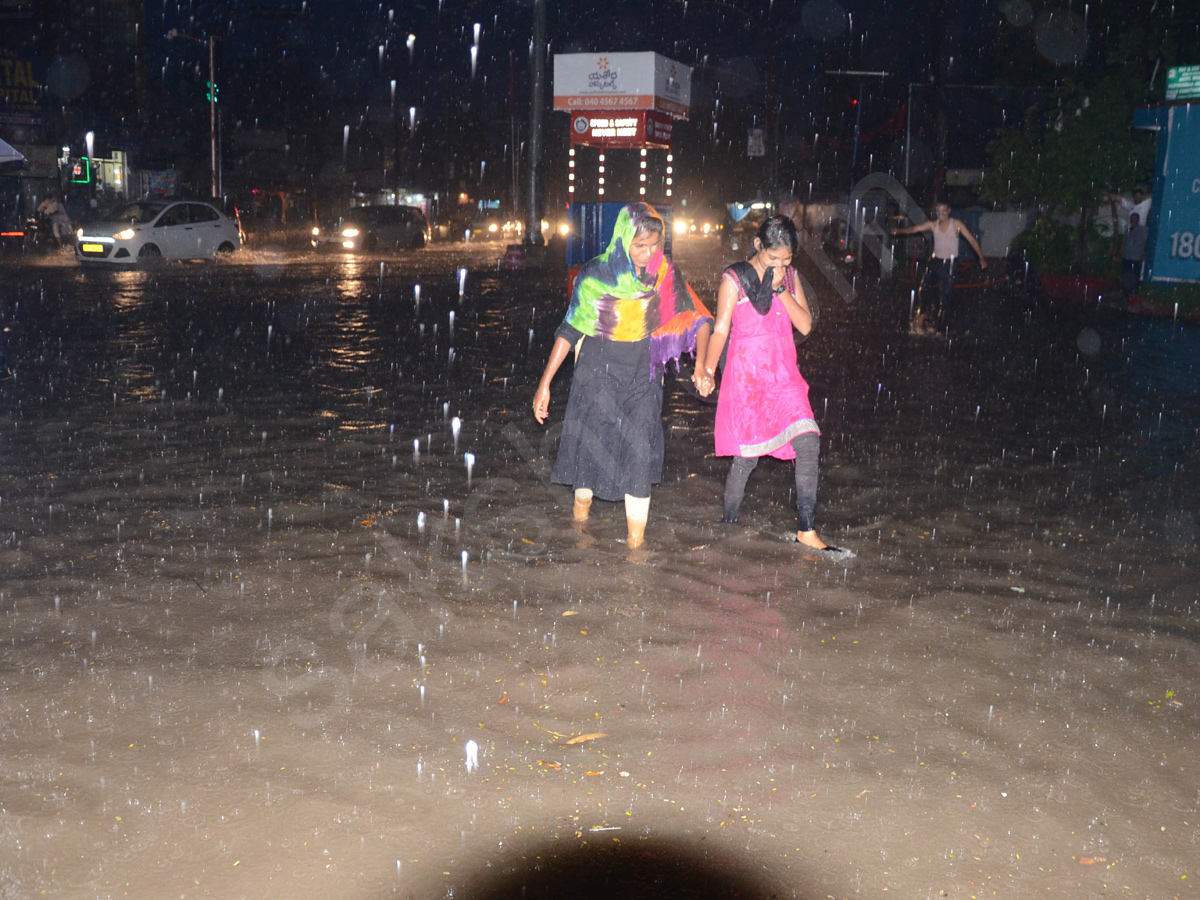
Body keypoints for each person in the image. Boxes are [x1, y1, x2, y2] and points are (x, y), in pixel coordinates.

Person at [532, 203, 712, 549]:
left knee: (639, 456)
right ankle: (579, 528)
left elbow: (698, 319)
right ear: (623, 238)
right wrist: (545, 385)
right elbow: (569, 330)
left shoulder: (664, 274)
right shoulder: (595, 275)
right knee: (588, 467)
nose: (648, 254)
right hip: (596, 376)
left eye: (654, 245)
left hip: (643, 377)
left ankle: (636, 551)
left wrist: (703, 365)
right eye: (639, 245)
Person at [699, 214, 851, 559]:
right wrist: (708, 370)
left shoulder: (790, 277)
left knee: (809, 442)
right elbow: (720, 330)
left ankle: (807, 530)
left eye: (787, 260)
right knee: (746, 458)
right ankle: (728, 524)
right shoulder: (734, 280)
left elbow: (806, 325)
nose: (780, 265)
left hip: (784, 378)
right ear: (758, 246)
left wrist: (780, 287)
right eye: (773, 259)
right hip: (748, 380)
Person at [891, 202, 987, 335]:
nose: (941, 213)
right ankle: (922, 314)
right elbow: (915, 229)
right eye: (938, 211)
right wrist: (899, 231)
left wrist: (981, 258)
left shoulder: (956, 224)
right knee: (924, 288)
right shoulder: (933, 224)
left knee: (945, 295)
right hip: (936, 261)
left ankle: (941, 329)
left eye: (944, 211)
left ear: (949, 211)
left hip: (950, 263)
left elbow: (971, 240)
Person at [1121, 211, 1148, 295]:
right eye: (1131, 219)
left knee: (1135, 277)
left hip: (1136, 258)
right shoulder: (1128, 230)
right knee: (1126, 276)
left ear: (1138, 220)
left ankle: (1133, 293)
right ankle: (1126, 293)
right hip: (1126, 257)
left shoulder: (1143, 230)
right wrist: (1119, 253)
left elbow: (1146, 242)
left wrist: (1144, 253)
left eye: (1134, 219)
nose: (1133, 220)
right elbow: (1124, 242)